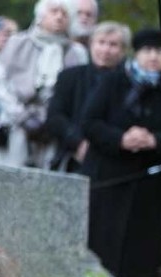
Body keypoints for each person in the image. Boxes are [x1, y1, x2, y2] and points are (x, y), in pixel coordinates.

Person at [82, 28, 161, 277]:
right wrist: (121, 138)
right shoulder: (114, 81)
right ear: (137, 53)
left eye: (160, 52)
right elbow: (89, 122)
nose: (154, 57)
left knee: (139, 242)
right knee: (104, 237)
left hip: (148, 179)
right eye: (148, 51)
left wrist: (155, 139)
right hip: (110, 173)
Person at [0, 0, 87, 169]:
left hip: (54, 130)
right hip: (16, 124)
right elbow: (0, 83)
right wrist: (21, 116)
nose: (59, 17)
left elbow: (80, 92)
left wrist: (53, 120)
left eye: (64, 14)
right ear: (41, 16)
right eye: (54, 11)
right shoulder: (17, 42)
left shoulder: (76, 52)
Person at [46, 21, 130, 172]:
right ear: (91, 44)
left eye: (113, 44)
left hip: (114, 160)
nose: (106, 49)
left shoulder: (129, 83)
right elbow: (55, 116)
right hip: (72, 157)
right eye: (101, 42)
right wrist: (78, 143)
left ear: (123, 50)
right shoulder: (69, 77)